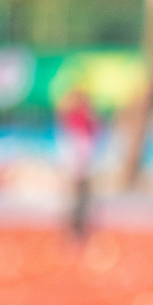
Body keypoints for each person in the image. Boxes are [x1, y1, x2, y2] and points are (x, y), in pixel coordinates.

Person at [56, 88, 99, 242]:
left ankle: (77, 232)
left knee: (81, 201)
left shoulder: (82, 120)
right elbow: (76, 144)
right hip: (78, 166)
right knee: (76, 201)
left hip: (81, 165)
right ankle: (74, 233)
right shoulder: (77, 119)